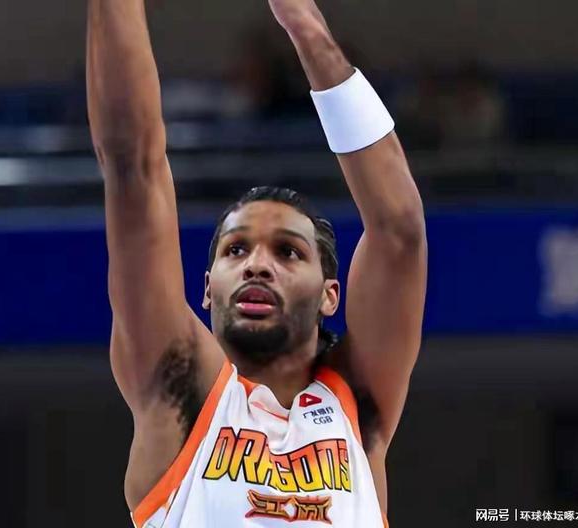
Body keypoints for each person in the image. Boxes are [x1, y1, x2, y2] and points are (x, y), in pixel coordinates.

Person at [86, 0, 427, 526]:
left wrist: (307, 29)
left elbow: (399, 232)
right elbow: (133, 168)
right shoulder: (181, 386)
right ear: (206, 288)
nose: (257, 266)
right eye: (236, 249)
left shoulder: (356, 407)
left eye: (288, 251)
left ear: (330, 295)